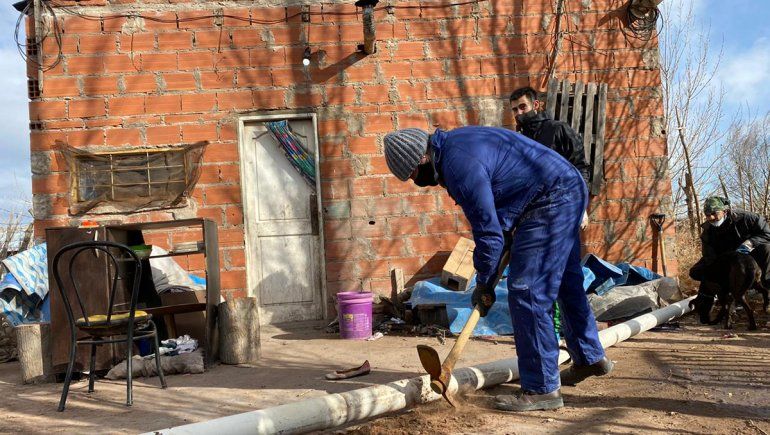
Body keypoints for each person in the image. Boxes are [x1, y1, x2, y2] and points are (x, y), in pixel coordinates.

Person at [382, 126, 612, 412]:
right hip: (561, 188)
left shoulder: (458, 166)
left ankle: (542, 389)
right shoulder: (455, 147)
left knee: (527, 290)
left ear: (421, 160)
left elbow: (488, 232)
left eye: (413, 175)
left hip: (551, 198)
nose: (417, 182)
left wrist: (484, 283)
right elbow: (496, 222)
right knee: (566, 282)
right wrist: (490, 270)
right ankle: (589, 357)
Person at [509, 86, 591, 186]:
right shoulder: (518, 139)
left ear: (535, 105)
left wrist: (579, 195)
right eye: (515, 110)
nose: (519, 113)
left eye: (523, 107)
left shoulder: (558, 129)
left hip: (561, 195)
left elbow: (580, 165)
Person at [689, 196, 770, 290]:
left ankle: (766, 286)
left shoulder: (746, 218)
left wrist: (750, 243)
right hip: (728, 258)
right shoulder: (708, 231)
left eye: (714, 213)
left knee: (767, 249)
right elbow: (708, 256)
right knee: (696, 271)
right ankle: (729, 289)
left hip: (750, 254)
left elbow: (767, 233)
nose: (711, 217)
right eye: (707, 215)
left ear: (725, 211)